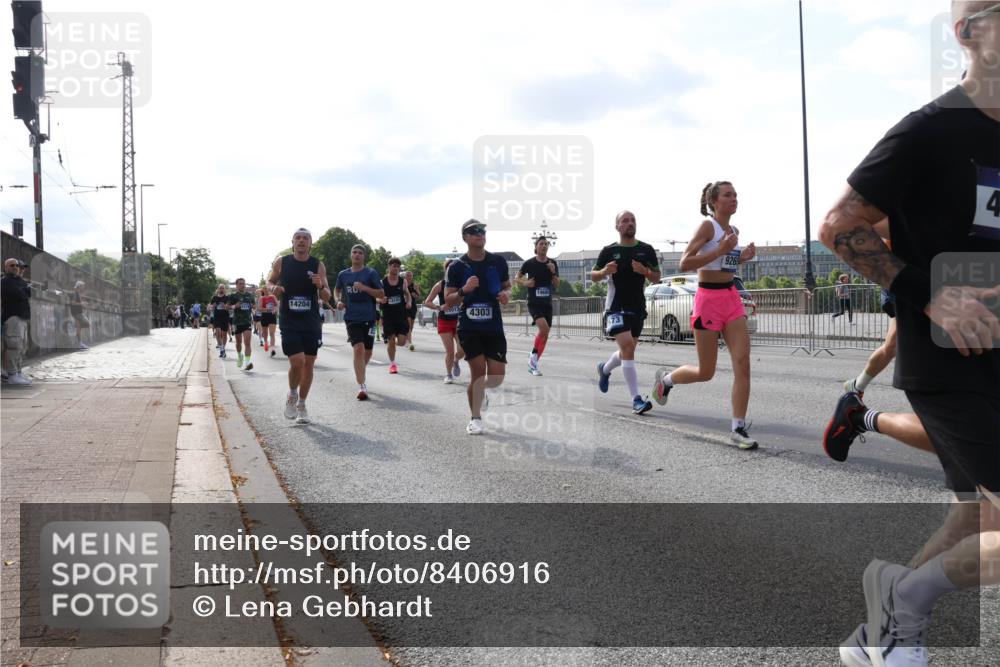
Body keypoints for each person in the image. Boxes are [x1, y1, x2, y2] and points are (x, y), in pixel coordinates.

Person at [819, 3, 1000, 664]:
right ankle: (906, 594)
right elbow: (839, 224)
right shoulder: (930, 130)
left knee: (976, 516)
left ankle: (880, 636)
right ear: (967, 32)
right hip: (949, 362)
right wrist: (930, 293)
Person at [650, 182, 759, 449]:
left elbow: (723, 265)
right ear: (714, 202)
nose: (734, 198)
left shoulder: (733, 231)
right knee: (706, 371)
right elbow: (685, 262)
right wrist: (720, 250)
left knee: (742, 363)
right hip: (708, 299)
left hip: (731, 297)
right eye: (728, 195)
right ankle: (666, 380)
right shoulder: (707, 227)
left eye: (735, 194)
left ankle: (738, 428)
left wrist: (741, 257)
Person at [443, 219, 512, 435]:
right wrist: (464, 290)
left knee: (497, 377)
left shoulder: (498, 262)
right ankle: (475, 418)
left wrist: (506, 295)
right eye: (474, 231)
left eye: (482, 230)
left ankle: (479, 394)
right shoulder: (456, 267)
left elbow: (508, 287)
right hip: (469, 326)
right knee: (478, 373)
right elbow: (448, 300)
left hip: (493, 326)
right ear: (465, 237)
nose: (480, 234)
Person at [592, 211, 661, 415]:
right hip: (615, 306)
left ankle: (605, 369)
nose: (630, 223)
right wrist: (604, 272)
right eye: (625, 221)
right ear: (617, 226)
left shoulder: (646, 250)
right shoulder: (609, 251)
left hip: (637, 307)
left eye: (632, 220)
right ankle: (636, 399)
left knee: (626, 352)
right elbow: (594, 275)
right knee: (628, 348)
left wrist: (645, 272)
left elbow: (657, 277)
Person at [267, 229, 331, 424]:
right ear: (293, 242)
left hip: (311, 321)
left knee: (309, 364)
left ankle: (302, 404)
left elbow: (327, 296)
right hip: (289, 320)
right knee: (297, 361)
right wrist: (273, 288)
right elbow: (269, 281)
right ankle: (292, 394)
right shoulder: (282, 262)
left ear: (310, 243)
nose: (301, 241)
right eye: (298, 238)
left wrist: (320, 286)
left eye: (305, 238)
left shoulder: (317, 265)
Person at [334, 244, 384, 400]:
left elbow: (381, 293)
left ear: (364, 256)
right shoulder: (343, 275)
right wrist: (338, 300)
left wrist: (364, 288)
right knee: (358, 349)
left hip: (369, 317)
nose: (357, 255)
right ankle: (362, 385)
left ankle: (360, 369)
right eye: (354, 252)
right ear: (351, 255)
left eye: (360, 253)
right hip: (352, 317)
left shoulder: (370, 273)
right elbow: (337, 290)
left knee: (367, 352)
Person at [517, 236, 560, 376]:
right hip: (534, 302)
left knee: (545, 335)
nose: (544, 246)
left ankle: (534, 363)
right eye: (541, 243)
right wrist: (526, 283)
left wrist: (553, 272)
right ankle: (533, 359)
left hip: (547, 303)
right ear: (536, 247)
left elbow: (556, 285)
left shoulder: (552, 263)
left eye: (546, 244)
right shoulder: (529, 263)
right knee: (544, 328)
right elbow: (516, 278)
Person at [423, 258, 465, 384]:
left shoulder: (461, 285)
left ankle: (456, 361)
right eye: (450, 269)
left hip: (459, 321)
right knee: (450, 351)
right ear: (446, 270)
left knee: (463, 349)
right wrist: (439, 307)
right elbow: (427, 302)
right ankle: (448, 374)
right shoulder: (440, 285)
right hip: (444, 321)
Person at [2, 258, 32, 385]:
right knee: (14, 346)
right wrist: (25, 290)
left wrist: (24, 290)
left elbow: (28, 293)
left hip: (23, 317)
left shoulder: (20, 281)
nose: (15, 267)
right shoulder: (5, 281)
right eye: (12, 265)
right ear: (6, 268)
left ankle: (18, 372)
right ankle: (12, 374)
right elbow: (18, 294)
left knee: (22, 347)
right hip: (13, 317)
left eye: (17, 265)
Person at [379, 257, 411, 374]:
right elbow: (377, 297)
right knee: (391, 340)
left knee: (402, 342)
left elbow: (407, 294)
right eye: (394, 266)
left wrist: (409, 302)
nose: (396, 268)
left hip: (400, 315)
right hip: (388, 316)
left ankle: (392, 344)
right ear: (389, 267)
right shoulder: (382, 282)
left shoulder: (403, 282)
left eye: (398, 267)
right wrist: (381, 300)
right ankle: (392, 364)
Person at [228, 278, 256, 370]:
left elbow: (254, 306)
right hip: (237, 322)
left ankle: (247, 363)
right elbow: (226, 307)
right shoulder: (233, 296)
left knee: (247, 342)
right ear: (236, 285)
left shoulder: (250, 296)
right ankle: (240, 356)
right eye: (240, 284)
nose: (242, 285)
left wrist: (253, 306)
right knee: (238, 342)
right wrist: (234, 306)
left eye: (244, 284)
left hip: (247, 321)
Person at [209, 284, 230, 357]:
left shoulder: (227, 298)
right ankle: (222, 350)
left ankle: (223, 348)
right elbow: (210, 307)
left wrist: (225, 306)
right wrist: (213, 306)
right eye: (220, 288)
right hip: (217, 317)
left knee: (224, 335)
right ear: (218, 289)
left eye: (223, 288)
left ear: (224, 289)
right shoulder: (214, 298)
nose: (221, 289)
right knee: (218, 333)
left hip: (225, 317)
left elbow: (229, 308)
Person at [258, 285, 278, 357]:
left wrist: (275, 310)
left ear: (269, 290)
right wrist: (268, 309)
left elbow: (277, 305)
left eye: (267, 289)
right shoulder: (261, 298)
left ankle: (272, 350)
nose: (266, 290)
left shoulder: (273, 297)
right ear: (263, 290)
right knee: (265, 333)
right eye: (265, 289)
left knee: (272, 333)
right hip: (265, 316)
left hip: (272, 316)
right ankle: (266, 342)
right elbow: (260, 308)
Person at [70, 280, 90, 349]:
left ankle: (80, 343)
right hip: (77, 313)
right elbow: (72, 303)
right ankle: (79, 343)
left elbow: (76, 303)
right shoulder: (75, 293)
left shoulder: (77, 293)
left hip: (77, 313)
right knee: (87, 324)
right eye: (82, 286)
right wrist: (82, 303)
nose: (83, 287)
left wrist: (83, 305)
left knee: (79, 328)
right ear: (79, 286)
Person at [404, 270, 420, 351]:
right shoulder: (403, 285)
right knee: (408, 323)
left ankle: (407, 338)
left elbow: (418, 296)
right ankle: (410, 342)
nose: (409, 277)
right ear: (405, 277)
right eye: (408, 275)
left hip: (413, 306)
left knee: (411, 325)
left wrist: (415, 294)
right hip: (405, 306)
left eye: (410, 276)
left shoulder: (414, 285)